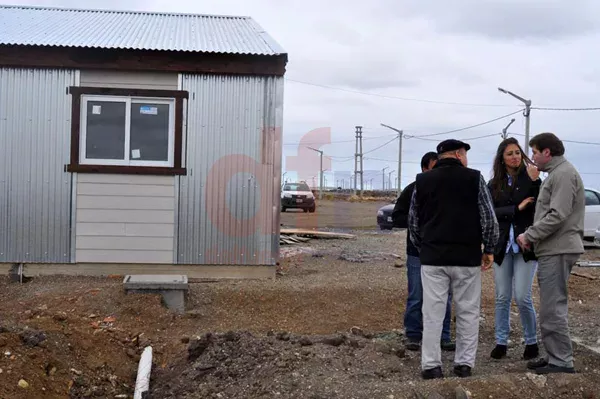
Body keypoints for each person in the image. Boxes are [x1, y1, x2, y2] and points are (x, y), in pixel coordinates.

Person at [408, 139, 499, 380]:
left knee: (433, 312)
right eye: (465, 155)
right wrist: (489, 248)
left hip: (433, 257)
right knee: (468, 311)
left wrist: (424, 248)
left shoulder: (423, 180)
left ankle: (431, 366)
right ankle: (463, 364)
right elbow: (488, 217)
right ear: (459, 154)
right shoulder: (474, 178)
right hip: (466, 256)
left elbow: (413, 223)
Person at [517, 132, 585, 375]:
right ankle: (556, 356)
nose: (532, 156)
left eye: (535, 151)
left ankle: (562, 361)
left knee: (552, 307)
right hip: (553, 248)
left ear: (547, 152)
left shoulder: (564, 174)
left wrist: (530, 235)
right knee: (550, 305)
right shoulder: (556, 174)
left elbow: (557, 215)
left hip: (558, 248)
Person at [392, 152, 455, 352]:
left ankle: (443, 336)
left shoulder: (449, 190)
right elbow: (397, 217)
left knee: (444, 296)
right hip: (417, 252)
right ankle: (413, 335)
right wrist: (420, 223)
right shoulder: (412, 190)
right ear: (424, 169)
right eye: (435, 166)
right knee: (417, 295)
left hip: (443, 252)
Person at [488, 138, 541, 361]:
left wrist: (536, 183)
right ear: (502, 157)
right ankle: (501, 342)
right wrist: (516, 208)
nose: (515, 157)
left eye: (518, 153)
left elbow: (540, 206)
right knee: (501, 296)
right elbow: (491, 213)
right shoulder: (493, 184)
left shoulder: (530, 179)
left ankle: (532, 342)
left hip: (525, 246)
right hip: (502, 246)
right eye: (510, 153)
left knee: (522, 296)